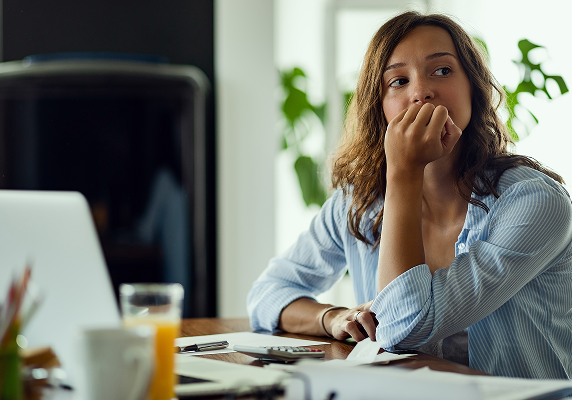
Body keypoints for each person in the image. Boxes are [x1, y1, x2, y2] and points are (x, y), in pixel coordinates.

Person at [247, 11, 572, 379]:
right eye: (398, 80)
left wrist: (403, 172)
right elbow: (268, 294)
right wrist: (332, 317)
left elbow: (404, 327)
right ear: (380, 106)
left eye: (442, 71)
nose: (420, 92)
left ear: (474, 88)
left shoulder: (535, 204)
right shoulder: (360, 201)